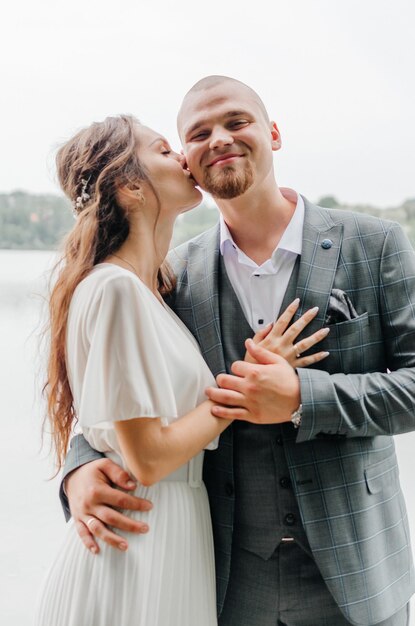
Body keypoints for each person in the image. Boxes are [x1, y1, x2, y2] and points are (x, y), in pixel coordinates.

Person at [61, 77, 415, 626]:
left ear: (272, 134)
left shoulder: (377, 244)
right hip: (224, 581)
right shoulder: (171, 276)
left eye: (236, 121)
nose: (219, 138)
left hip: (359, 573)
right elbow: (119, 387)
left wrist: (302, 396)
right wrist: (80, 469)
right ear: (188, 162)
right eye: (198, 133)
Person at [36, 113, 327, 626]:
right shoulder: (116, 289)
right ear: (130, 187)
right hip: (144, 533)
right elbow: (146, 457)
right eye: (164, 150)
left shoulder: (155, 288)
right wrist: (250, 381)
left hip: (177, 530)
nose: (185, 158)